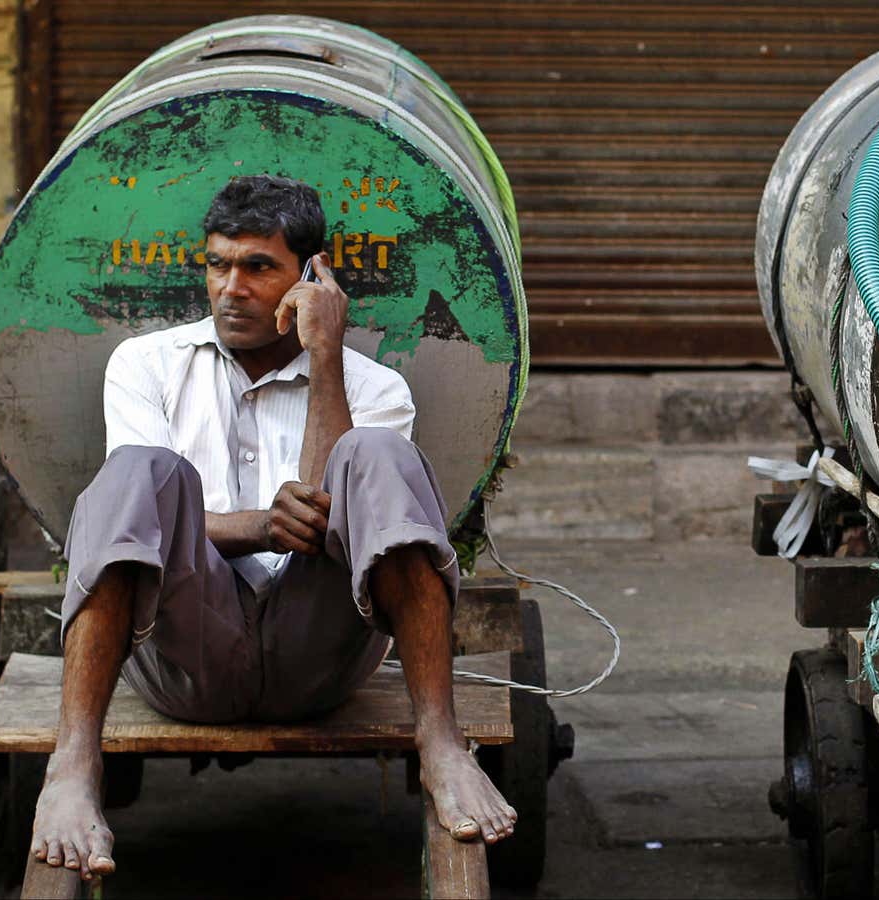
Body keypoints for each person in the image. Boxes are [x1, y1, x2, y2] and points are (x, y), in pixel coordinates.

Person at [30, 174, 516, 881]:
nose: (232, 287)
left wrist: (324, 356)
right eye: (218, 264)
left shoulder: (376, 388)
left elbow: (336, 521)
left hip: (319, 658)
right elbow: (132, 524)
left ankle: (440, 746)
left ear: (311, 277)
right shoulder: (146, 364)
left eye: (259, 267)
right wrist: (258, 525)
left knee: (377, 455)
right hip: (185, 655)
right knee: (140, 472)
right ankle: (74, 764)